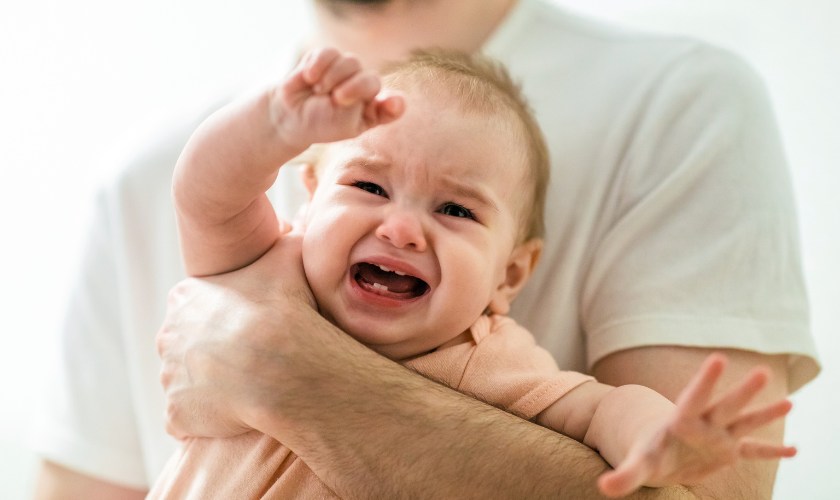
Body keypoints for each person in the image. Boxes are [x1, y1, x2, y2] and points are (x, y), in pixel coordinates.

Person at [32, 0, 819, 498]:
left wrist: (661, 436)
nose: (403, 228)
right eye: (369, 189)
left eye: (454, 210)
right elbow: (203, 192)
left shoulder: (495, 361)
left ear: (512, 275)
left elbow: (609, 414)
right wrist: (270, 130)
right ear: (303, 195)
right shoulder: (266, 254)